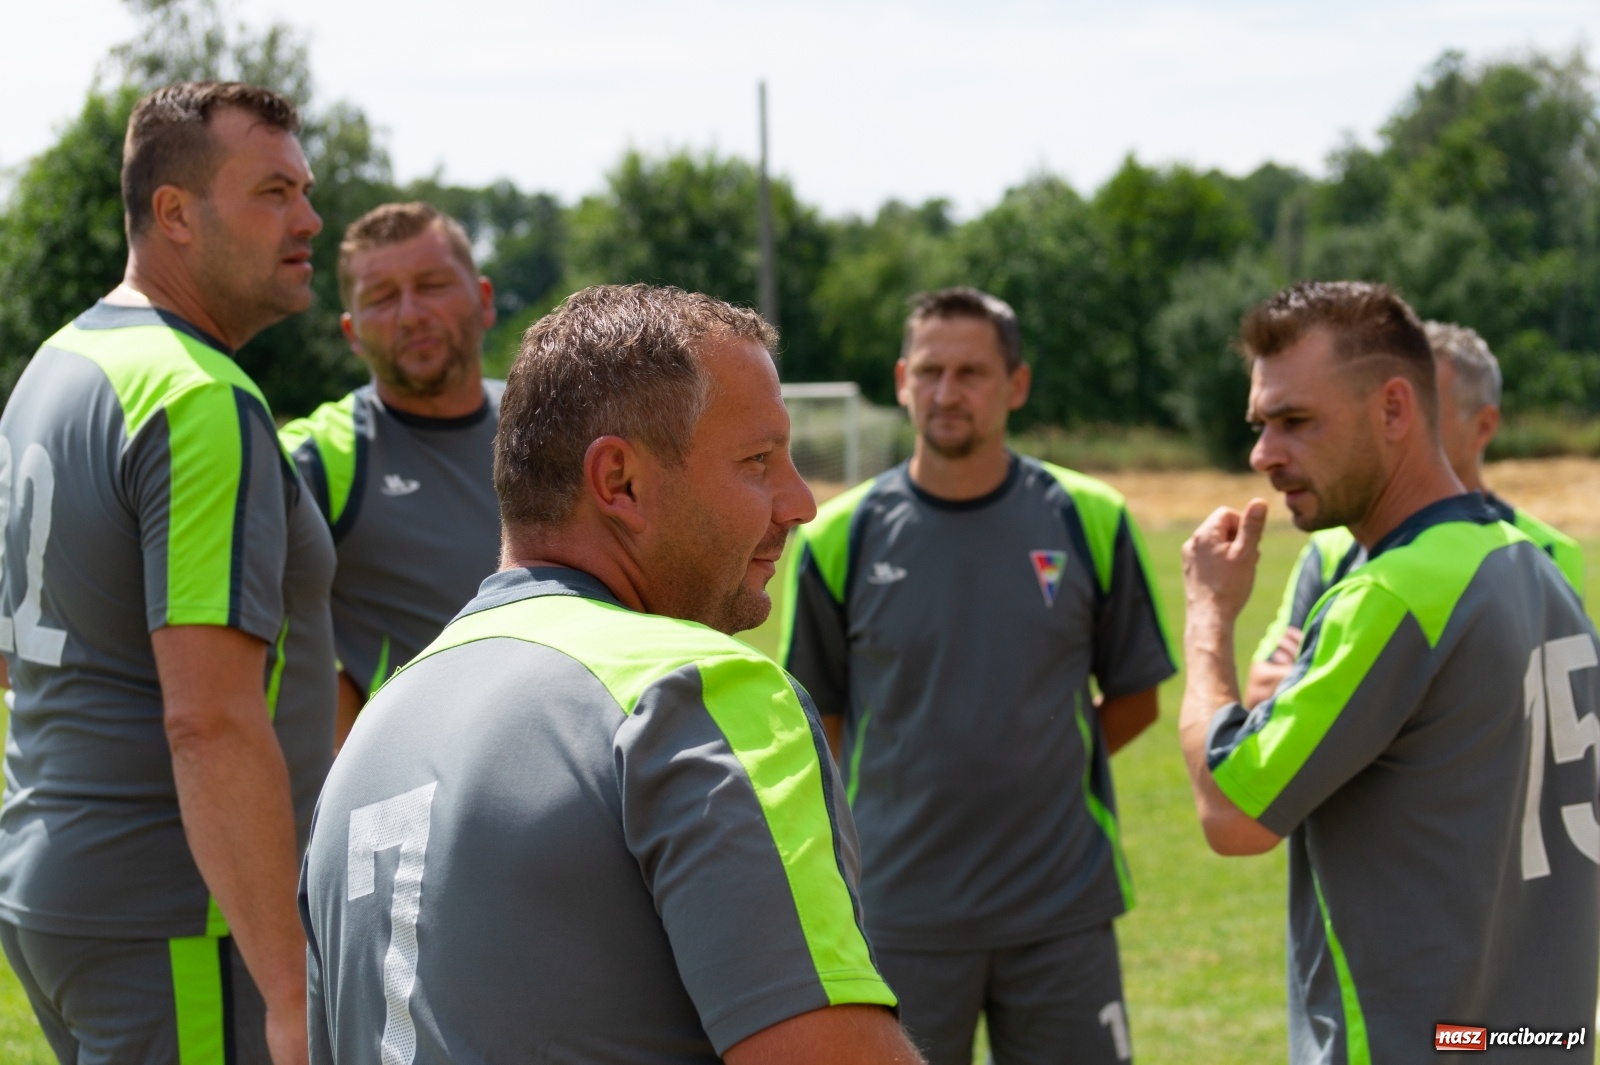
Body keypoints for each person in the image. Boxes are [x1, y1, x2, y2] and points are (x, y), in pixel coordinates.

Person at [299, 284, 922, 1065]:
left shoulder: (369, 745)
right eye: (758, 461)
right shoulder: (691, 690)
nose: (800, 502)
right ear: (620, 481)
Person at [0, 82, 335, 1065]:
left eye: (306, 190)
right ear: (175, 213)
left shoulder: (56, 366)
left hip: (58, 891)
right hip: (177, 917)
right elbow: (209, 719)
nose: (310, 218)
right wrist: (289, 989)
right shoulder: (195, 398)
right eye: (274, 191)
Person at [1180, 281, 1599, 1064]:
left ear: (1395, 410)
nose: (1263, 454)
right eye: (1260, 424)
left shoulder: (1395, 593)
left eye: (1296, 421)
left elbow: (1230, 815)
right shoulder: (1530, 564)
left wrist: (1209, 618)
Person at [780, 288, 1174, 1065]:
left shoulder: (1088, 517)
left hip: (1060, 912)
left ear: (1016, 385)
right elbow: (818, 720)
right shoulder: (840, 535)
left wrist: (1038, 764)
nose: (946, 391)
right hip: (901, 917)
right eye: (929, 370)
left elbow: (1136, 697)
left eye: (970, 372)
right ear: (900, 379)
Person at [1245, 319, 1584, 706]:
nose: (1403, 426)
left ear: (1484, 426)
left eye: (1428, 409)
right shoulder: (1332, 549)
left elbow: (1538, 707)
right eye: (1390, 409)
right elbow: (1261, 690)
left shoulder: (1547, 553)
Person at [280, 202, 502, 747]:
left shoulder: (556, 428)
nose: (410, 314)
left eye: (432, 285)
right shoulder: (318, 456)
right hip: (413, 800)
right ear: (352, 333)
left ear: (484, 300)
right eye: (382, 298)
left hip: (579, 780)